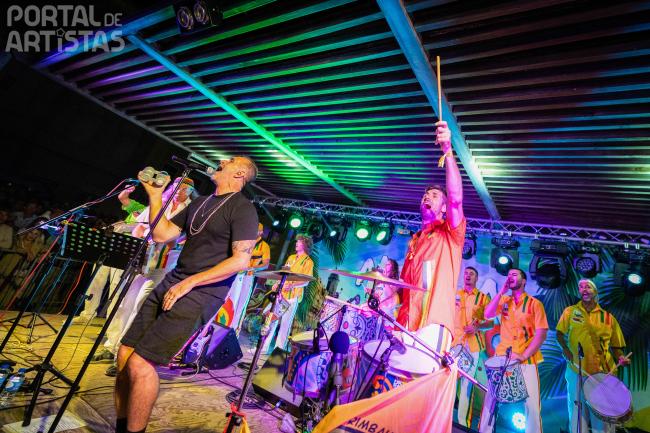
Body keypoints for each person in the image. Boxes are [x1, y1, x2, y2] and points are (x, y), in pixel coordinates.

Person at [115, 157, 259, 433]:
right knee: (125, 354)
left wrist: (190, 283)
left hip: (202, 292)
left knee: (141, 362)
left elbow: (241, 260)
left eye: (229, 160)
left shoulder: (243, 209)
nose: (221, 160)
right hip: (174, 281)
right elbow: (162, 235)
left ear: (240, 173)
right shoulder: (200, 202)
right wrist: (154, 196)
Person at [92, 178, 194, 373]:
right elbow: (139, 227)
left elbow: (181, 239)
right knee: (124, 303)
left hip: (162, 265)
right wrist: (140, 239)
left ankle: (124, 353)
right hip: (142, 261)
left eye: (186, 190)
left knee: (140, 305)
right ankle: (111, 346)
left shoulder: (188, 211)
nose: (181, 192)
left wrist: (165, 239)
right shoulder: (159, 204)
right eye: (178, 187)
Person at [396, 120, 465, 346]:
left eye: (435, 196)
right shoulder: (414, 242)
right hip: (405, 322)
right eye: (426, 195)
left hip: (434, 323)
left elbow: (456, 199)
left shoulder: (450, 235)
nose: (427, 196)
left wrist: (448, 151)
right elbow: (403, 287)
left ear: (444, 208)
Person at [479, 269, 549, 433]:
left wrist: (524, 355)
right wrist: (501, 292)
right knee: (491, 399)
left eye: (514, 274)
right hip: (502, 357)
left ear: (524, 281)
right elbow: (487, 314)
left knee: (531, 404)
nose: (510, 276)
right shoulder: (504, 300)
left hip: (526, 359)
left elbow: (541, 333)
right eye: (509, 274)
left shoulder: (534, 304)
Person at [556, 279, 629, 433]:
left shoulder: (608, 318)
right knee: (577, 411)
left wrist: (621, 357)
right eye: (581, 287)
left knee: (602, 416)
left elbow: (617, 347)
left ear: (595, 291)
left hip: (602, 373)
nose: (584, 289)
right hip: (577, 370)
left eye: (588, 286)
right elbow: (559, 333)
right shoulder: (570, 312)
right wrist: (565, 349)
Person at [452, 266, 492, 428]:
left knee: (466, 384)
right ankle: (444, 417)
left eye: (472, 274)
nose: (468, 276)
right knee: (449, 380)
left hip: (472, 346)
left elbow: (491, 323)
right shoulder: (456, 294)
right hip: (454, 344)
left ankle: (463, 424)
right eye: (466, 273)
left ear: (477, 278)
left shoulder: (483, 298)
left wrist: (477, 327)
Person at [260, 234, 314, 355]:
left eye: (299, 242)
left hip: (292, 298)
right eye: (297, 241)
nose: (296, 243)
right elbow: (284, 273)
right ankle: (263, 348)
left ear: (305, 245)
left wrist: (293, 285)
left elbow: (306, 281)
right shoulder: (291, 257)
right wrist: (277, 283)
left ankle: (277, 353)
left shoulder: (308, 262)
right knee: (271, 320)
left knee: (284, 325)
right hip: (281, 295)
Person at [216, 222, 271, 333]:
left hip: (248, 277)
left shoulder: (264, 246)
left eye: (255, 229)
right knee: (227, 299)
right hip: (235, 273)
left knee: (240, 304)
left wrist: (252, 268)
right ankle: (219, 325)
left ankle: (233, 330)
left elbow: (266, 264)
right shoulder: (245, 241)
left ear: (260, 232)